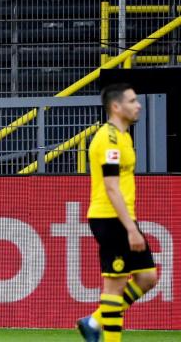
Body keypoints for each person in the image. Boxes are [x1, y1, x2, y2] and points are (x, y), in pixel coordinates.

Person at [76, 83, 158, 342]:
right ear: (116, 106)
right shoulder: (108, 138)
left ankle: (94, 321)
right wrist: (131, 229)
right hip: (109, 217)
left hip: (122, 217)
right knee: (115, 285)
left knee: (147, 277)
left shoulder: (124, 136)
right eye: (132, 100)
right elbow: (111, 187)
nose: (138, 104)